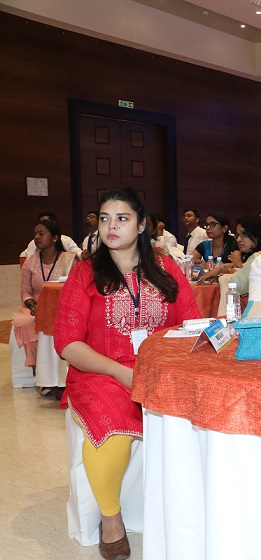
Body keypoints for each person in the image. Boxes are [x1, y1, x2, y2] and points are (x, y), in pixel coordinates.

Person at [55, 188, 200, 560]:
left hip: (160, 371)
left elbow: (192, 325)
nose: (111, 227)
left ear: (141, 225)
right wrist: (120, 372)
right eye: (105, 219)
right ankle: (111, 518)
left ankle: (189, 513)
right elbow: (67, 343)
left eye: (122, 218)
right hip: (100, 372)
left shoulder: (166, 270)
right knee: (113, 423)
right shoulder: (86, 271)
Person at [13, 219, 78, 396]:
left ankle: (64, 377)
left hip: (64, 306)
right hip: (36, 306)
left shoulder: (69, 260)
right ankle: (41, 375)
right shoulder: (30, 262)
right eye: (35, 234)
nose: (36, 237)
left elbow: (77, 288)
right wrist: (32, 304)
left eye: (41, 233)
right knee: (25, 323)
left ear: (55, 237)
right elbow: (25, 291)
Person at [199, 215, 261, 292]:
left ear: (257, 234)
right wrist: (220, 270)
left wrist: (219, 278)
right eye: (238, 235)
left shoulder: (259, 257)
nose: (238, 240)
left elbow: (239, 284)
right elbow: (244, 272)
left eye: (243, 234)